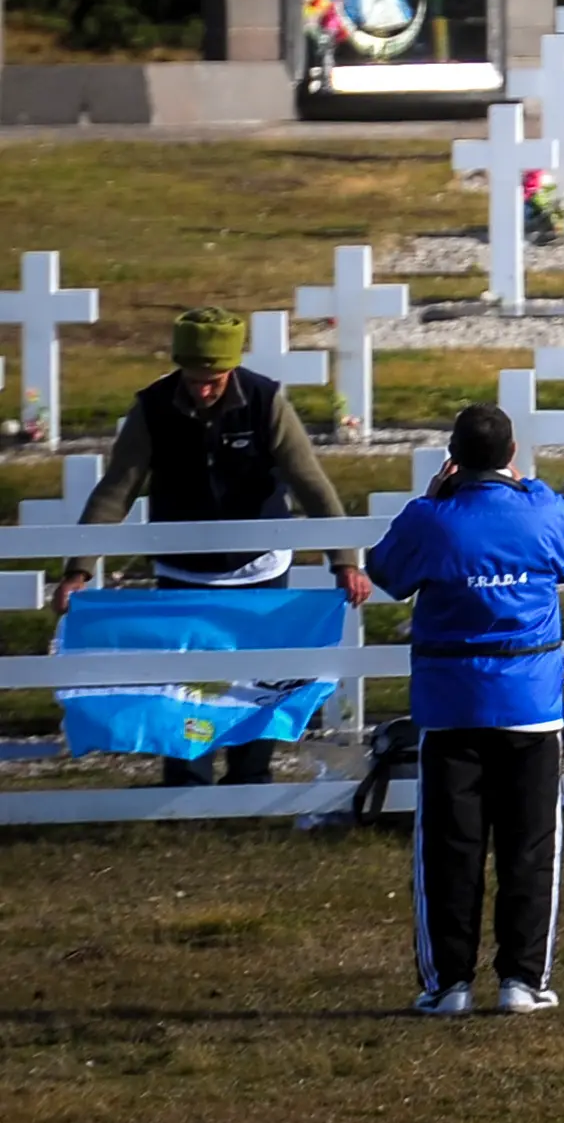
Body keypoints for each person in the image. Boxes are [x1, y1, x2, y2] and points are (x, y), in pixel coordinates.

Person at [54, 307, 370, 787]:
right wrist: (77, 571)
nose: (204, 388)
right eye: (195, 378)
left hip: (259, 570)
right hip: (183, 575)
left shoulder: (266, 403)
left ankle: (250, 778)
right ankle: (185, 782)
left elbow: (311, 484)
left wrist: (343, 561)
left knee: (259, 679)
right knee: (183, 685)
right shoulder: (153, 408)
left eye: (215, 379)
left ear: (232, 369)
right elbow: (117, 489)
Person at [365, 401, 564, 1016]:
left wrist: (430, 501)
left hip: (450, 708)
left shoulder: (432, 520)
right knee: (530, 845)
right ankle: (523, 980)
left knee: (450, 847)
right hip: (529, 703)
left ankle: (448, 984)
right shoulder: (539, 512)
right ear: (512, 455)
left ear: (454, 457)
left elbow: (385, 571)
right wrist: (534, 488)